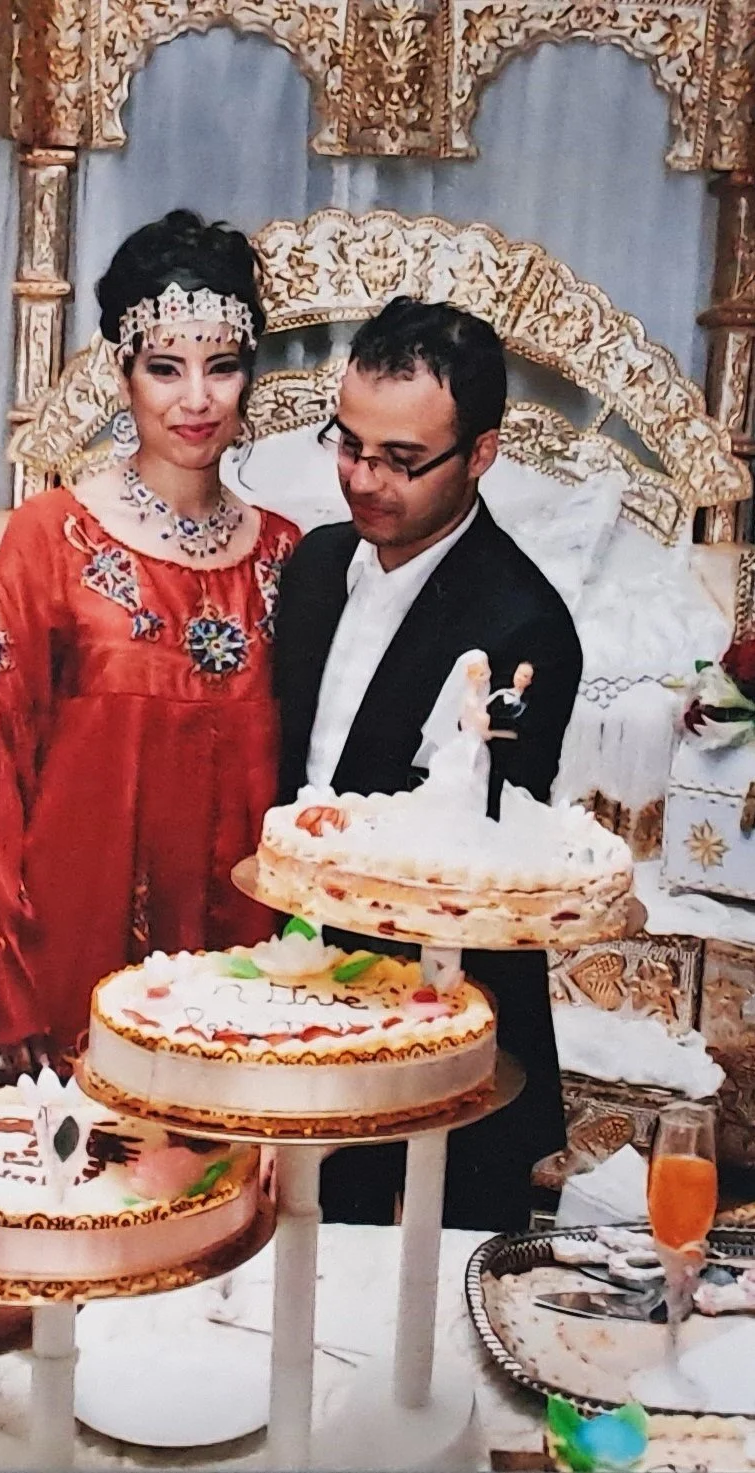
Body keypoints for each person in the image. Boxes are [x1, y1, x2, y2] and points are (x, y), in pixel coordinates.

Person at [0, 210, 299, 1083]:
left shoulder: (286, 555)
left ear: (249, 377)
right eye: (165, 368)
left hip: (239, 971)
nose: (195, 399)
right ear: (123, 373)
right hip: (70, 955)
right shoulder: (52, 537)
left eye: (221, 367)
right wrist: (7, 981)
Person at [274, 298, 582, 1232]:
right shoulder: (315, 563)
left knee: (426, 1318)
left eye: (402, 460)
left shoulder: (523, 625)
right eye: (349, 445)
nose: (364, 479)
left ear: (481, 454)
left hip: (442, 1010)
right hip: (298, 979)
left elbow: (469, 857)